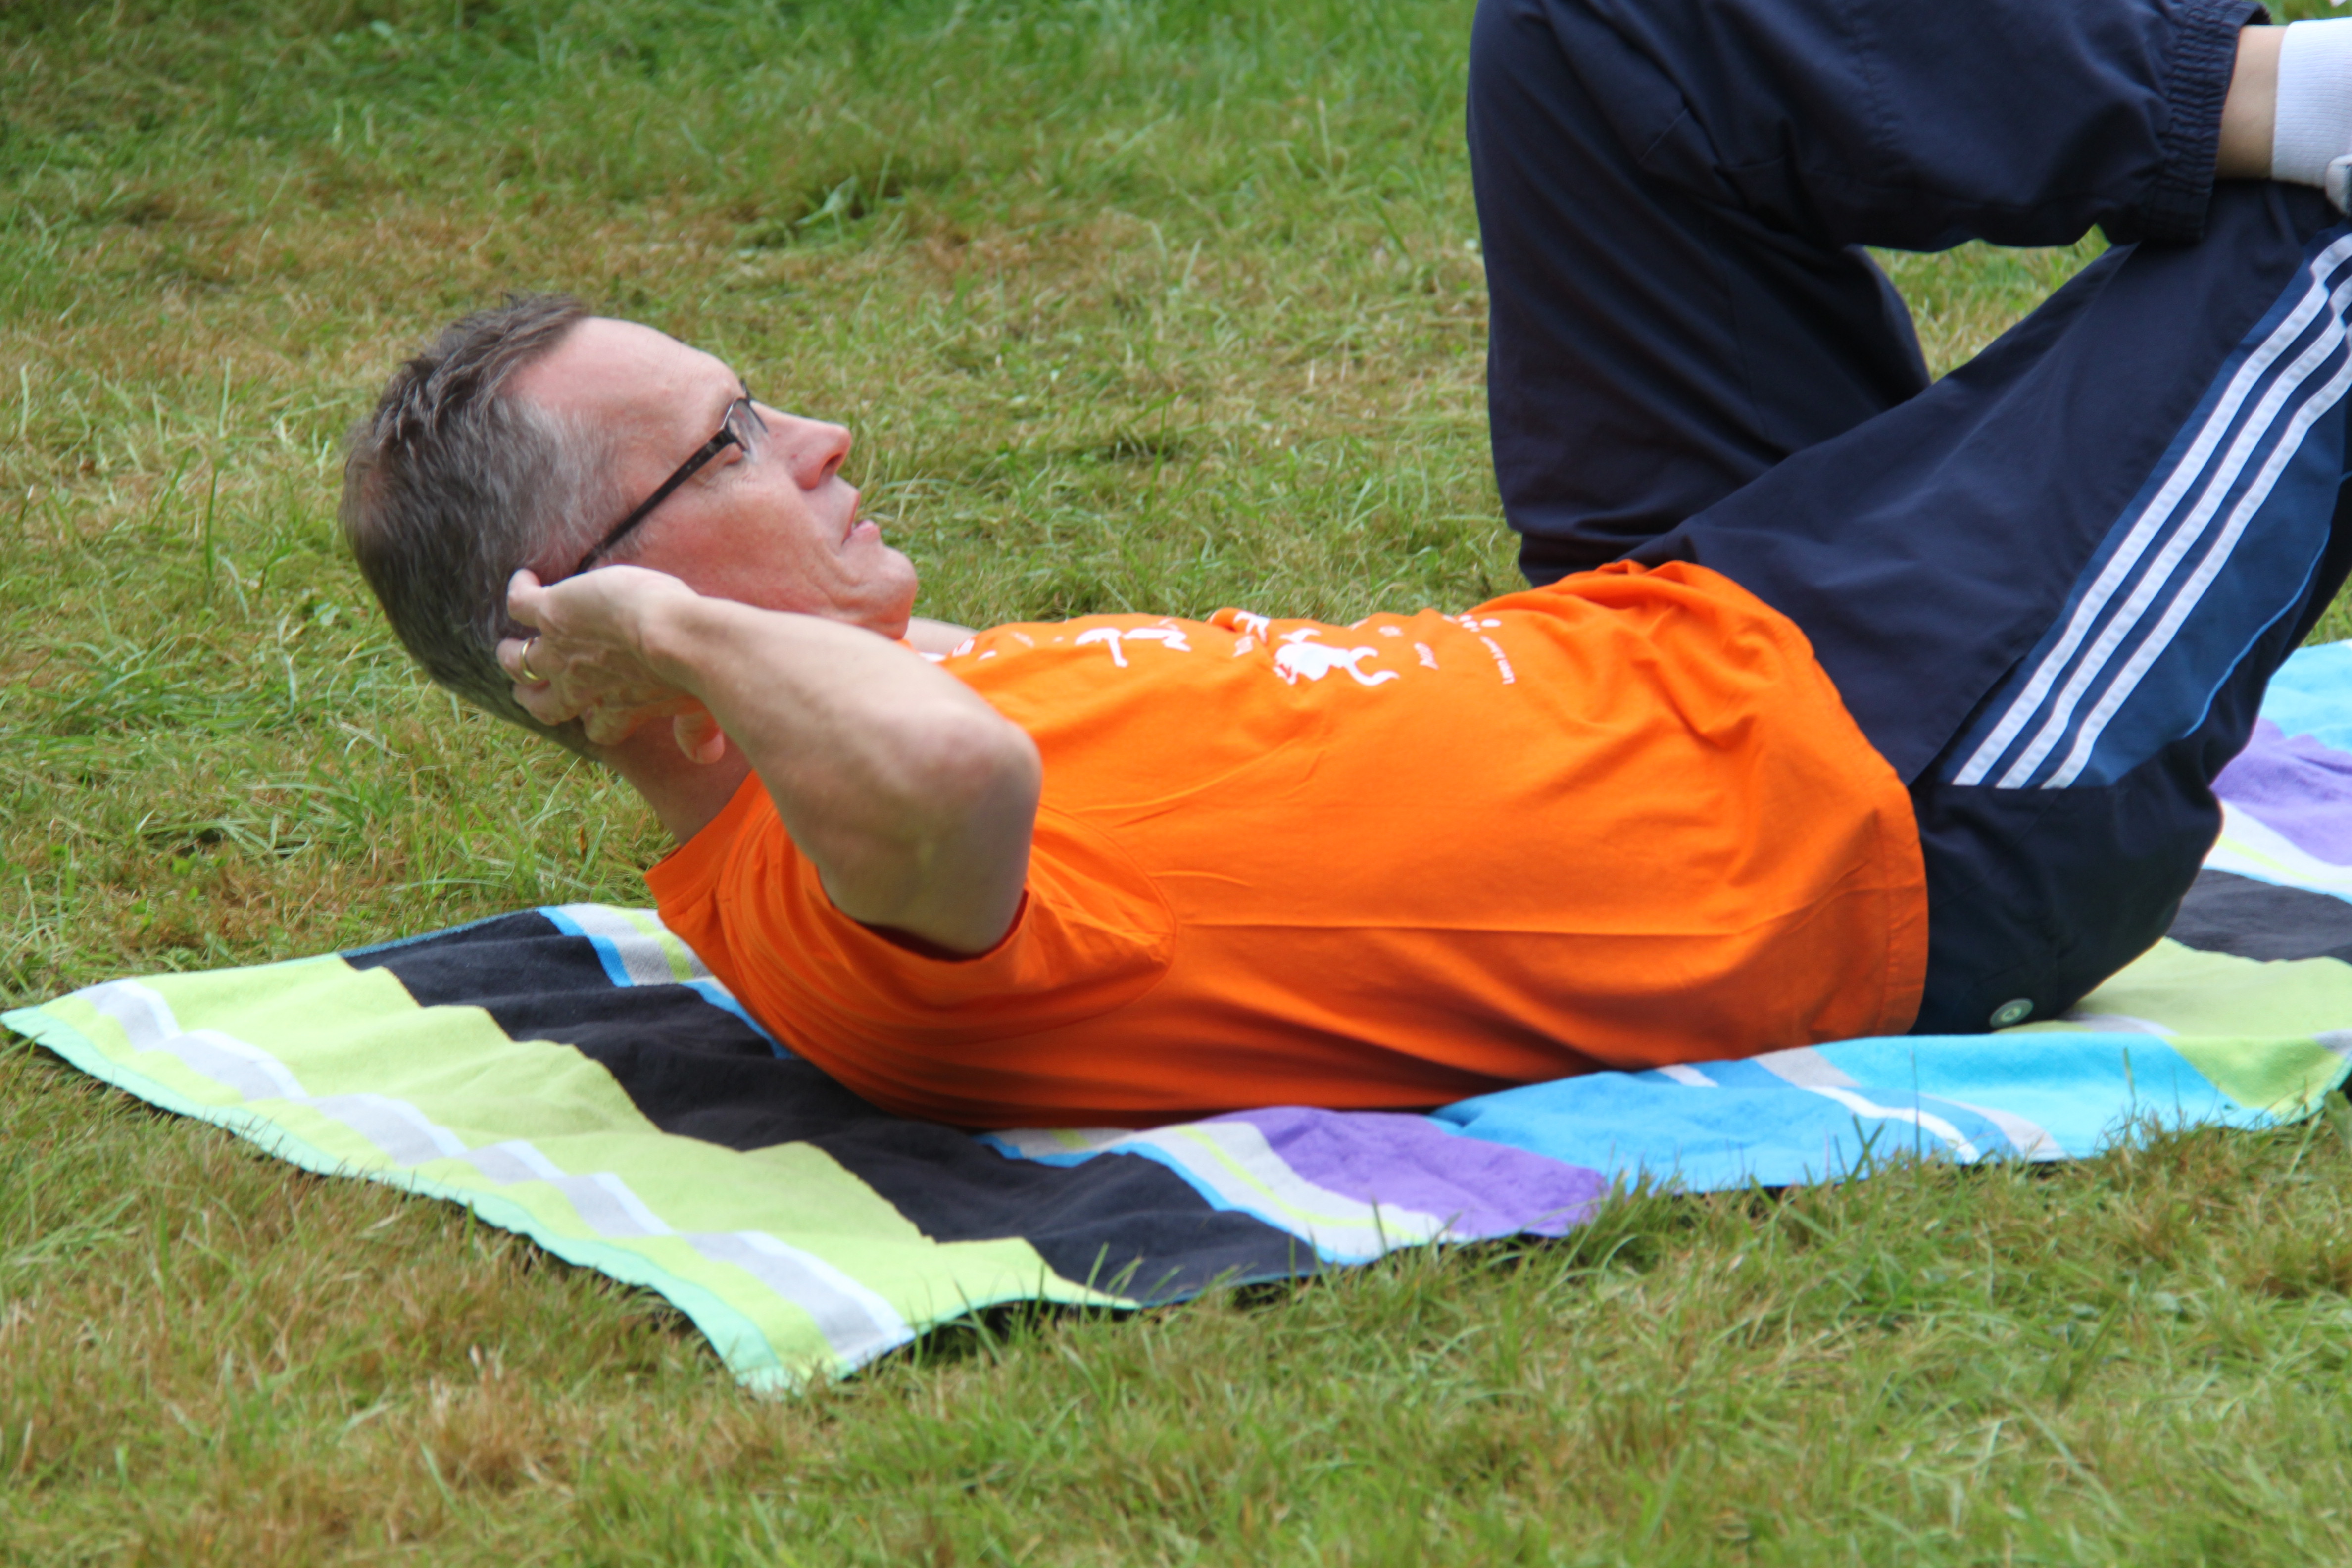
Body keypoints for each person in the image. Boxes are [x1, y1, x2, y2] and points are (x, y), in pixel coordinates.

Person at [341, 1, 2352, 1129]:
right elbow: (948, 779)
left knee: (1592, 35)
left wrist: (674, 620)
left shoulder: (857, 706)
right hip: (1890, 794)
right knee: (2326, 253)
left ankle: (2273, 86)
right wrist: (667, 629)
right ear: (608, 622)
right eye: (734, 444)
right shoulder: (835, 886)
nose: (825, 438)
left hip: (1679, 615)